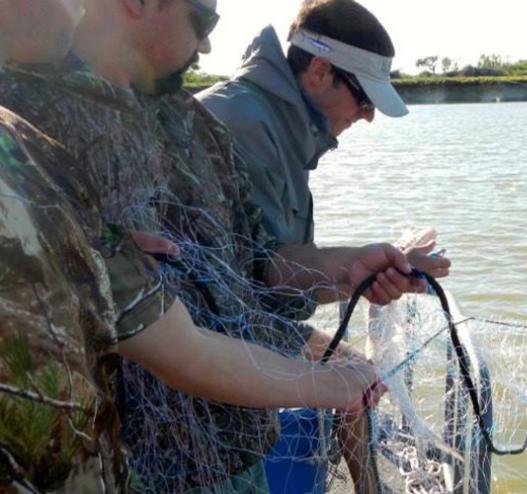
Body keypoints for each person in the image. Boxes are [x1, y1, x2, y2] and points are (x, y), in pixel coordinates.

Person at [0, 0, 425, 492]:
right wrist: (332, 383)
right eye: (201, 21)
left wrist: (348, 266)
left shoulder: (197, 126)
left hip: (238, 450)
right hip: (137, 469)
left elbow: (255, 262)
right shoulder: (23, 124)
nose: (206, 45)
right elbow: (180, 352)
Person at [199, 2, 450, 491]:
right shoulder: (245, 122)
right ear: (319, 70)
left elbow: (277, 282)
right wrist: (358, 265)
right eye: (364, 98)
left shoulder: (284, 129)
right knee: (355, 376)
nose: (369, 116)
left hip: (244, 321)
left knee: (359, 375)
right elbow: (259, 276)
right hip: (205, 338)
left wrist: (371, 271)